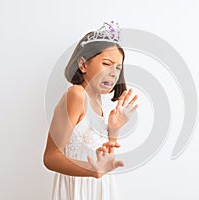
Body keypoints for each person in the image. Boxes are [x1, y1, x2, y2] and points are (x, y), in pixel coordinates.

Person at [43, 21, 139, 200]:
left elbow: (105, 161)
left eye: (118, 68)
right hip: (79, 188)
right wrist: (92, 170)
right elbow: (50, 157)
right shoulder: (76, 94)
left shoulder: (97, 100)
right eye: (106, 63)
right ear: (83, 65)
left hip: (99, 185)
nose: (113, 73)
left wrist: (114, 130)